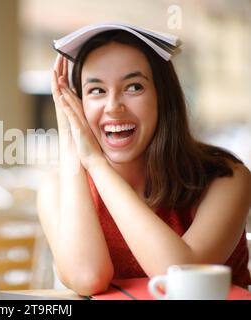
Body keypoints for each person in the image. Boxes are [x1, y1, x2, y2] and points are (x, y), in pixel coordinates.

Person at [37, 27, 251, 296]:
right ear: (76, 103)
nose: (113, 107)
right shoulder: (58, 187)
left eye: (134, 87)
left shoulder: (227, 178)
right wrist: (71, 145)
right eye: (96, 90)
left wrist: (97, 164)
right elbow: (88, 277)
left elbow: (179, 276)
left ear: (163, 97)